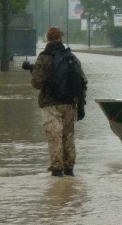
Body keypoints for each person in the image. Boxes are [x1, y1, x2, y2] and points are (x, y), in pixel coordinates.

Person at [29, 26, 88, 177]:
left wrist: (34, 71)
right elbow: (82, 82)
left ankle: (57, 170)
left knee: (54, 136)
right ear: (61, 38)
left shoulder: (43, 57)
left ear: (47, 39)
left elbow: (37, 83)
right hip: (69, 104)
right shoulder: (71, 57)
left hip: (50, 104)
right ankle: (70, 169)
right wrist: (81, 106)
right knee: (68, 136)